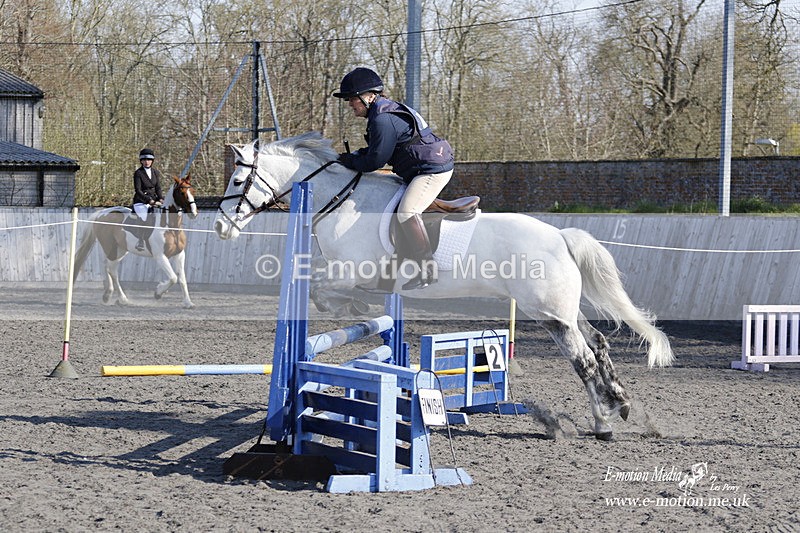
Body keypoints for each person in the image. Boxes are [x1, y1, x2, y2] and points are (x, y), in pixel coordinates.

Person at [332, 67, 454, 290]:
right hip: (421, 167)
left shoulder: (382, 119)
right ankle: (387, 277)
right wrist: (355, 156)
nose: (350, 104)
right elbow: (377, 150)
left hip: (431, 170)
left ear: (368, 96)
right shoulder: (382, 112)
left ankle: (428, 270)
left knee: (407, 211)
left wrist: (350, 162)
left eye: (352, 99)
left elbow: (375, 162)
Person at [131, 148, 164, 251]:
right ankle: (140, 240)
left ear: (152, 161)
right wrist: (148, 200)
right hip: (141, 201)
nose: (147, 162)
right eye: (144, 160)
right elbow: (138, 190)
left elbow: (158, 187)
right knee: (144, 216)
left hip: (153, 200)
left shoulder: (155, 172)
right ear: (141, 161)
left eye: (149, 160)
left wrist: (161, 198)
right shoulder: (138, 173)